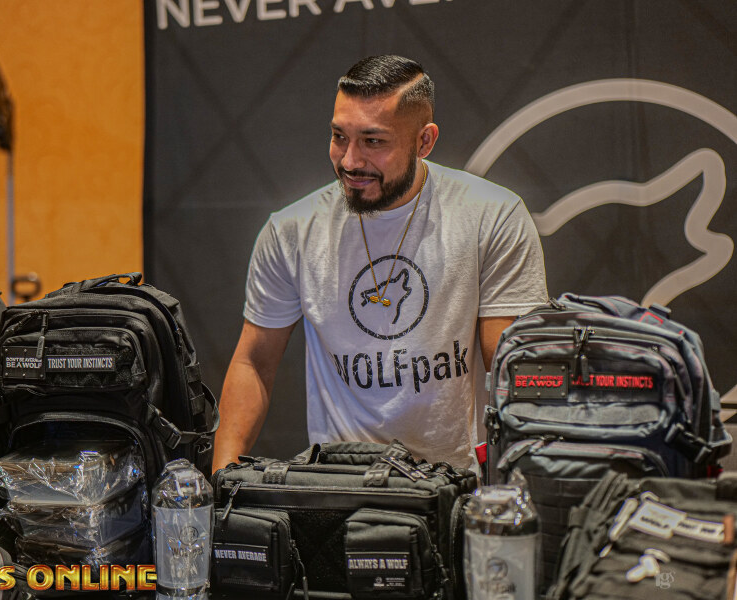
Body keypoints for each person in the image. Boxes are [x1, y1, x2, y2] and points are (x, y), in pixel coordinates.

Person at [211, 55, 547, 473]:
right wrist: (222, 480)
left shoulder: (491, 216)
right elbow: (254, 364)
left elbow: (510, 370)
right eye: (339, 136)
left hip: (455, 485)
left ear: (424, 142)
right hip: (339, 483)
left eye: (373, 141)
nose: (350, 161)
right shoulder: (291, 231)